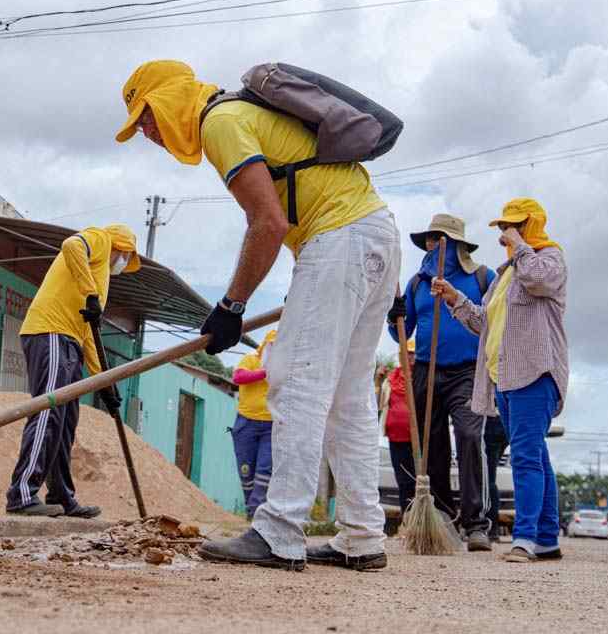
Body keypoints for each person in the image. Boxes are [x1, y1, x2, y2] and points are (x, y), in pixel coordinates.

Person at [117, 60, 400, 571]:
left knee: (294, 383)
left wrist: (230, 306)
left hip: (339, 239)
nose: (149, 134)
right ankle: (362, 537)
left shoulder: (221, 122)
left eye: (147, 118)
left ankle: (278, 531)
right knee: (346, 398)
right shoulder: (239, 114)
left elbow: (268, 223)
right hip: (375, 235)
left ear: (169, 99)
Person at [431, 197, 567, 563]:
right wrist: (454, 297)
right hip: (502, 378)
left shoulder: (549, 260)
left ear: (532, 224)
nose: (507, 234)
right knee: (536, 455)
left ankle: (524, 540)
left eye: (515, 226)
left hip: (534, 373)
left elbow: (537, 279)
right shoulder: (506, 275)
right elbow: (482, 322)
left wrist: (521, 245)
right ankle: (547, 537)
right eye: (505, 228)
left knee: (525, 458)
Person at [5, 224, 141, 518]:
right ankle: (22, 494)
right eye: (126, 256)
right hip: (50, 331)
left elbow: (89, 332)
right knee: (47, 411)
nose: (123, 263)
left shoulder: (102, 277)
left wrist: (106, 382)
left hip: (71, 339)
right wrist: (89, 292)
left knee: (65, 422)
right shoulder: (101, 239)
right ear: (122, 247)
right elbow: (71, 245)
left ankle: (61, 496)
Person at [387, 213, 497, 552]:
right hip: (427, 370)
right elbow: (400, 332)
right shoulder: (418, 283)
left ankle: (476, 522)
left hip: (467, 371)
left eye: (439, 240)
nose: (433, 247)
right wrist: (395, 318)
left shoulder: (481, 278)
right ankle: (443, 519)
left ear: (458, 245)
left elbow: (492, 322)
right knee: (432, 446)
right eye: (430, 241)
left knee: (468, 435)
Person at [231, 330, 277, 520]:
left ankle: (257, 510)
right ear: (265, 345)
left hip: (271, 425)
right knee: (246, 469)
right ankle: (251, 508)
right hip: (246, 423)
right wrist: (265, 373)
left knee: (265, 469)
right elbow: (238, 377)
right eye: (272, 345)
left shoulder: (286, 367)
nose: (275, 350)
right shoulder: (251, 359)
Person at [379, 339, 417, 518]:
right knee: (404, 482)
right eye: (406, 354)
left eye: (412, 354)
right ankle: (407, 520)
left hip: (418, 440)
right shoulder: (390, 379)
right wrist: (378, 380)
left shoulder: (421, 378)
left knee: (420, 481)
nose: (409, 357)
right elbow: (378, 404)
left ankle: (420, 519)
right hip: (396, 439)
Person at [484, 415, 509, 541]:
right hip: (502, 420)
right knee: (488, 478)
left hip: (490, 419)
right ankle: (492, 528)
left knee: (487, 480)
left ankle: (491, 528)